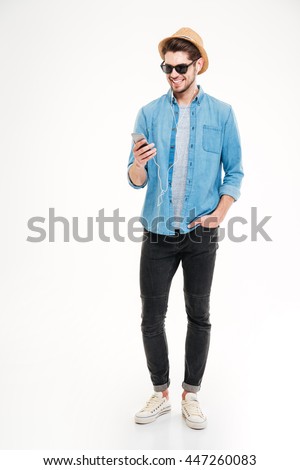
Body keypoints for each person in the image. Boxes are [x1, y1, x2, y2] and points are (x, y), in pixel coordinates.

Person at [127, 27, 244, 430]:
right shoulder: (148, 113)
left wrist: (220, 213)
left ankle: (190, 394)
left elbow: (236, 172)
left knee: (199, 314)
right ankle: (160, 393)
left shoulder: (223, 114)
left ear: (197, 65)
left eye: (180, 67)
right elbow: (135, 179)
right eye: (167, 67)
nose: (173, 74)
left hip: (200, 235)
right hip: (158, 231)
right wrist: (139, 165)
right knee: (151, 316)